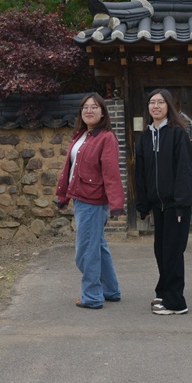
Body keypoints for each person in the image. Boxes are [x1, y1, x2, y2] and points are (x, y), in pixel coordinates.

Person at [55, 93, 124, 309]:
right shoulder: (81, 135)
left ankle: (92, 296)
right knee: (98, 247)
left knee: (86, 252)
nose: (89, 110)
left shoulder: (106, 138)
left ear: (103, 113)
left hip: (93, 202)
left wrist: (116, 204)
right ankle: (110, 290)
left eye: (94, 107)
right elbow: (69, 170)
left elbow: (111, 173)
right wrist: (63, 196)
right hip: (80, 199)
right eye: (85, 107)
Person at [134, 89, 192, 315]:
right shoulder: (145, 137)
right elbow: (140, 174)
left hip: (175, 205)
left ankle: (176, 303)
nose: (156, 106)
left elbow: (186, 170)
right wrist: (143, 205)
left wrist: (182, 203)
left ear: (168, 106)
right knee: (161, 251)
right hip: (158, 206)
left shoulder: (177, 134)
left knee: (173, 252)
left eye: (161, 102)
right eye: (152, 102)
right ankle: (163, 292)